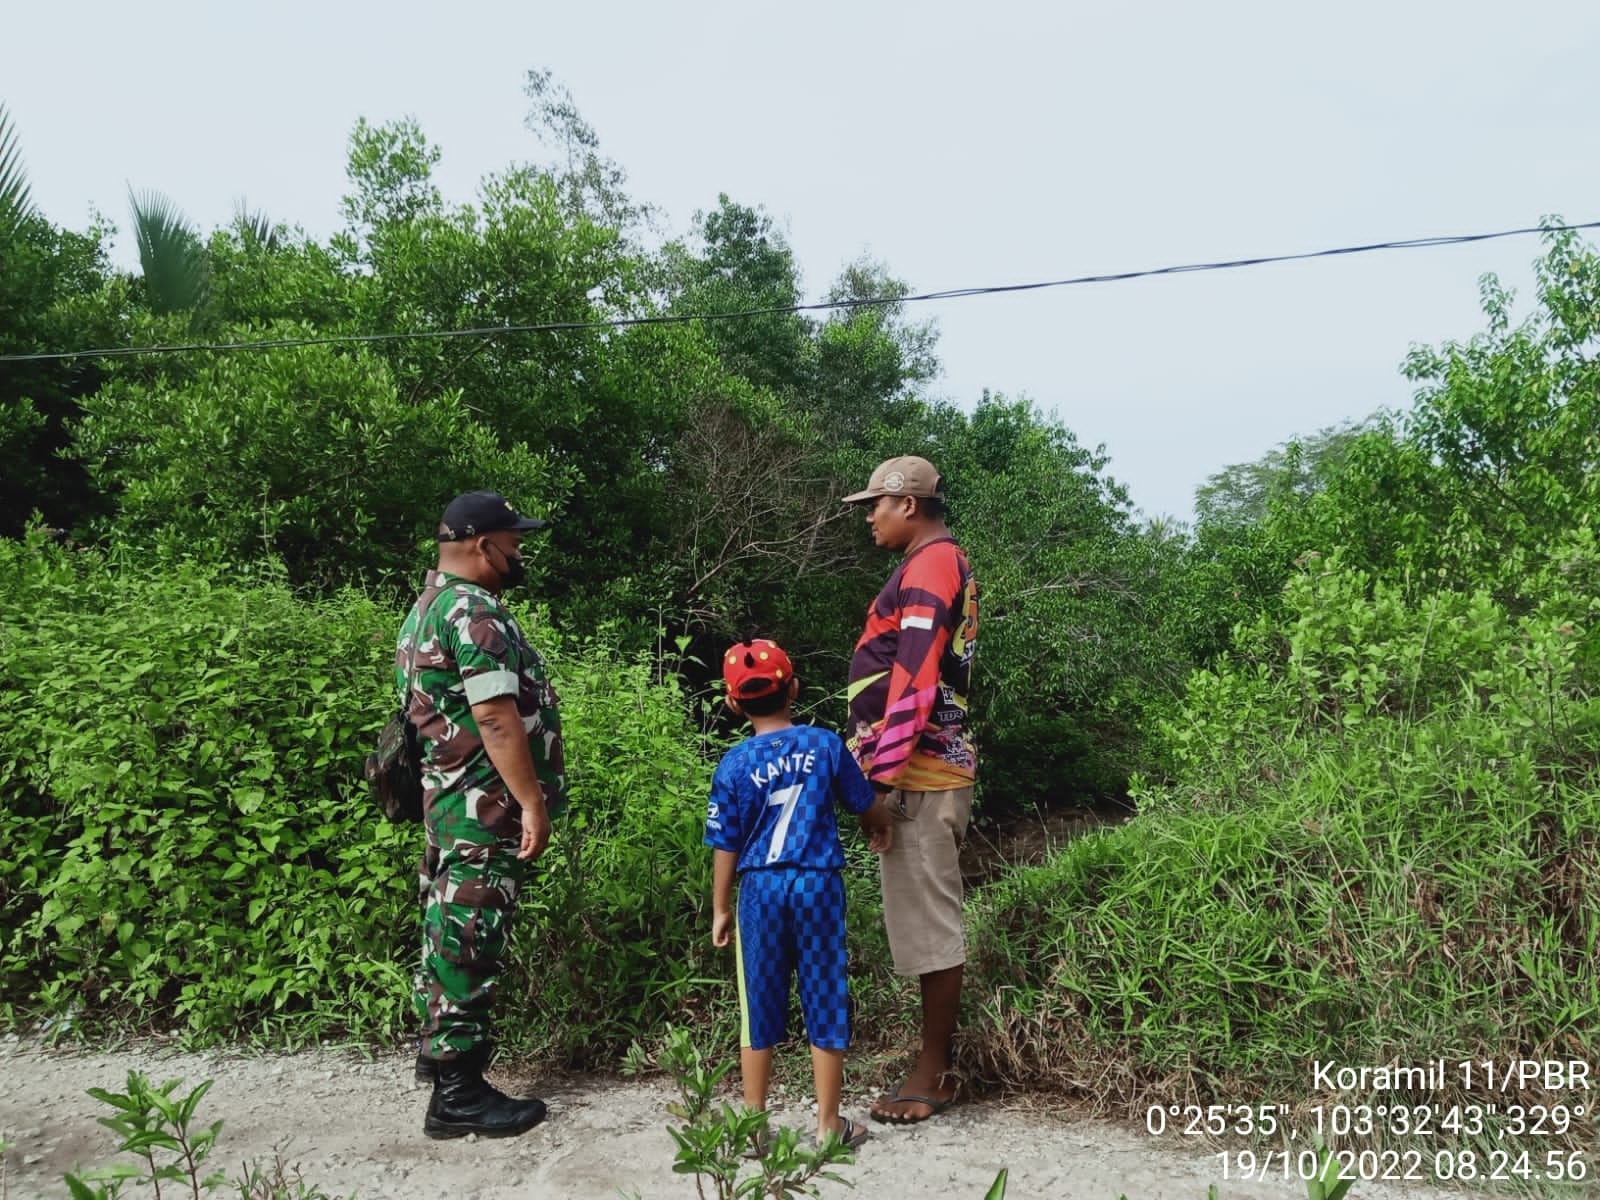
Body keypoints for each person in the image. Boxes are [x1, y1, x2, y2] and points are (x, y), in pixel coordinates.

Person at [396, 489, 567, 1140]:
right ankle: (459, 1095)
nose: (519, 551)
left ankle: (444, 1071)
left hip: (450, 804)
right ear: (479, 544)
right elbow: (494, 716)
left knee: (447, 933)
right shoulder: (473, 612)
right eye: (513, 540)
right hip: (481, 807)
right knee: (468, 939)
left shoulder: (428, 606)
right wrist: (531, 801)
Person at [704, 637, 891, 1152]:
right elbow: (863, 800)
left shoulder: (734, 764)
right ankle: (829, 1124)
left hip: (759, 889)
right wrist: (879, 828)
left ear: (733, 703)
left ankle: (754, 1128)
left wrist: (721, 907)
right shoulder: (825, 745)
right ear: (795, 689)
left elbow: (725, 842)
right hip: (817, 883)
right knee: (825, 993)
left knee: (758, 1003)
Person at [841, 455, 979, 1126]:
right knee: (922, 922)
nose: (869, 516)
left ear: (909, 505)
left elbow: (917, 677)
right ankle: (932, 1061)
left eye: (876, 504)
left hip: (918, 774)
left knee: (931, 923)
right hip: (917, 770)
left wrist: (882, 780)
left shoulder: (929, 565)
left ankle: (936, 1072)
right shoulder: (932, 563)